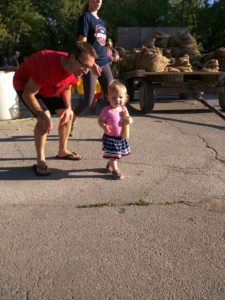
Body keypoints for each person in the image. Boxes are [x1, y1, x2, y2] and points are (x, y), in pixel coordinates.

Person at [13, 41, 97, 176]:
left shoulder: (76, 71)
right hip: (26, 85)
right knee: (44, 118)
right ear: (73, 57)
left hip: (50, 85)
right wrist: (41, 114)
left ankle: (62, 151)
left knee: (67, 114)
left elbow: (68, 86)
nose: (86, 71)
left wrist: (69, 107)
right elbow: (28, 93)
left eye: (89, 67)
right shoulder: (46, 64)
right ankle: (40, 160)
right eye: (85, 66)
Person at [70, 0, 113, 135]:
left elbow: (100, 43)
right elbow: (81, 44)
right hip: (91, 64)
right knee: (88, 101)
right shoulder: (85, 17)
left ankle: (110, 129)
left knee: (111, 96)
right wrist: (91, 64)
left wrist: (108, 49)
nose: (98, 1)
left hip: (104, 63)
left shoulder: (102, 22)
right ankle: (70, 121)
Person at [98, 80, 133, 180]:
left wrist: (129, 120)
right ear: (108, 98)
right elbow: (100, 120)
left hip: (120, 137)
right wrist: (104, 126)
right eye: (114, 97)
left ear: (126, 98)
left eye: (120, 97)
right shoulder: (106, 110)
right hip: (110, 137)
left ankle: (110, 164)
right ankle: (115, 171)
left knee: (116, 154)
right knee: (114, 155)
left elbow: (129, 119)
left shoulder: (123, 109)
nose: (117, 100)